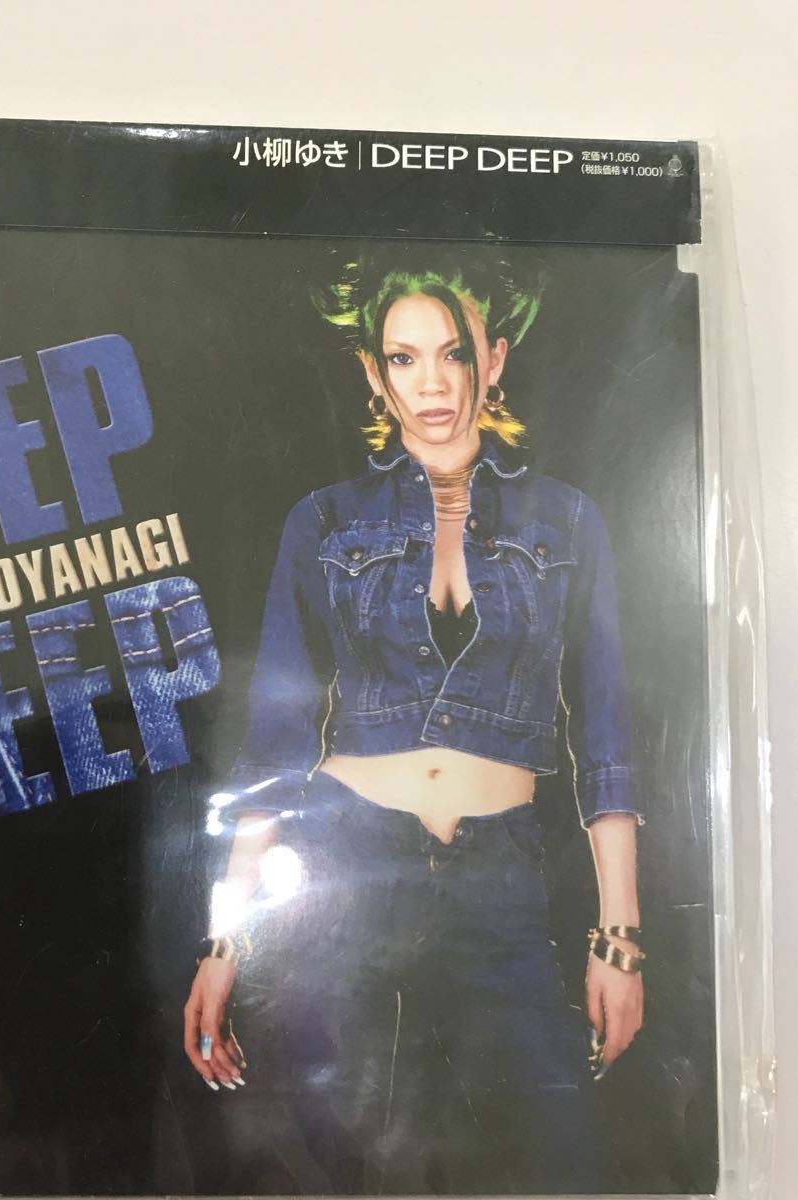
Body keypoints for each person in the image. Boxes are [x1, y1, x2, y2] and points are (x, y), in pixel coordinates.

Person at [182, 254, 646, 1194]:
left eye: (453, 354)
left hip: (502, 879)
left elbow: (605, 742)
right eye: (403, 358)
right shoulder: (322, 521)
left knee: (555, 1159)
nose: (431, 383)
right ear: (373, 372)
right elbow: (275, 746)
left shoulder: (570, 522)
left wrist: (619, 942)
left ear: (494, 359)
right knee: (343, 1163)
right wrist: (226, 940)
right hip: (352, 870)